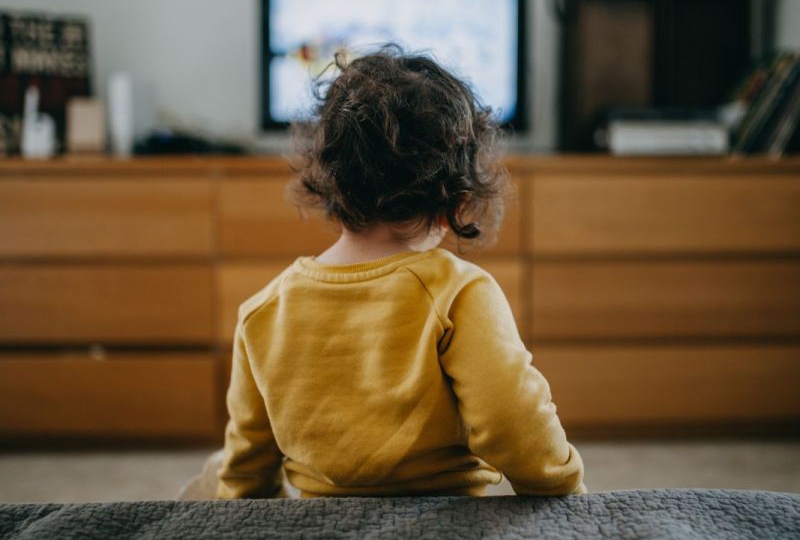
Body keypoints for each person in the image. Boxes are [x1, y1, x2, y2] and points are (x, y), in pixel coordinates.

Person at [216, 46, 585, 499]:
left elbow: (246, 465)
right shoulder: (459, 291)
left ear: (329, 177)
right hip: (445, 519)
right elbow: (512, 421)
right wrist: (563, 488)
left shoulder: (264, 308)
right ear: (456, 193)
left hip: (320, 522)